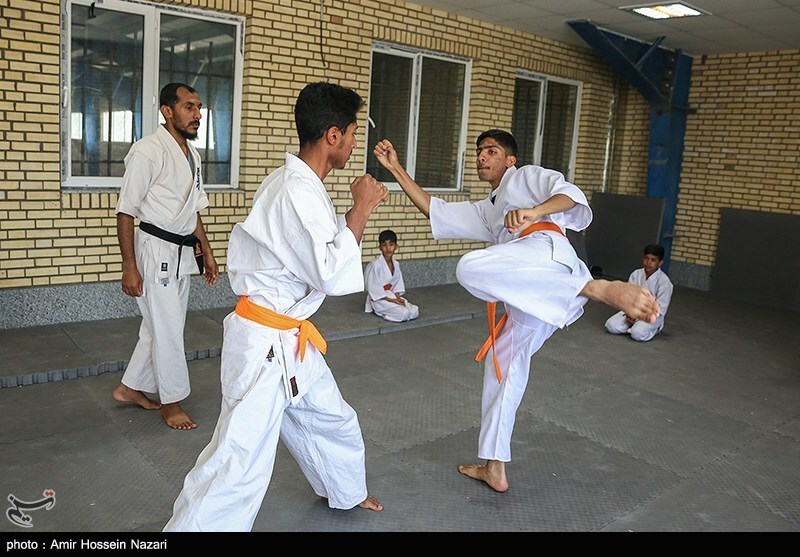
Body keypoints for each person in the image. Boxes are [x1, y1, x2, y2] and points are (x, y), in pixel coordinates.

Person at [373, 130, 660, 493]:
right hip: (532, 298)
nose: (482, 156)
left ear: (510, 159)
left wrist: (535, 211)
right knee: (502, 368)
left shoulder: (525, 177)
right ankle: (495, 467)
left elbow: (571, 196)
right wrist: (395, 169)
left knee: (468, 267)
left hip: (547, 257)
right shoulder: (488, 209)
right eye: (479, 151)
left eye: (491, 151)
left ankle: (594, 287)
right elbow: (435, 209)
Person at [164, 82, 388, 532]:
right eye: (351, 135)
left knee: (332, 418)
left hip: (290, 336)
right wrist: (362, 208)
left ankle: (345, 489)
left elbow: (321, 249)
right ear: (332, 135)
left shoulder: (301, 185)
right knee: (238, 459)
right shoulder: (295, 190)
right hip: (265, 342)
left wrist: (354, 213)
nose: (353, 144)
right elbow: (329, 273)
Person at [112, 82, 218, 431]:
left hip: (181, 251)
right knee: (168, 327)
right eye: (189, 107)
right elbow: (126, 211)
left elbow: (192, 210)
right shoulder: (148, 151)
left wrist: (207, 252)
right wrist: (129, 266)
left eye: (199, 107)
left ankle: (129, 387)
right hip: (154, 249)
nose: (197, 114)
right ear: (167, 111)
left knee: (158, 325)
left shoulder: (192, 155)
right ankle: (171, 402)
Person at [605, 244, 673, 342]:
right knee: (611, 325)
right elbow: (628, 297)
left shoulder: (664, 282)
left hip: (652, 315)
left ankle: (653, 329)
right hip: (633, 311)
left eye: (653, 260)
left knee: (637, 334)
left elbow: (660, 309)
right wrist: (630, 314)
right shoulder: (636, 274)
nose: (648, 263)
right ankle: (633, 327)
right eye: (646, 258)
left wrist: (641, 317)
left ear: (660, 262)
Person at [364, 229, 420, 322]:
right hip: (379, 298)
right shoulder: (375, 265)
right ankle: (382, 313)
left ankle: (398, 311)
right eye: (384, 245)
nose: (388, 248)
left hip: (391, 295)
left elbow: (397, 285)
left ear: (396, 246)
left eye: (391, 244)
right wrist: (392, 300)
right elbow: (374, 289)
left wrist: (398, 299)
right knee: (403, 314)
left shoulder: (396, 264)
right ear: (380, 247)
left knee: (414, 311)